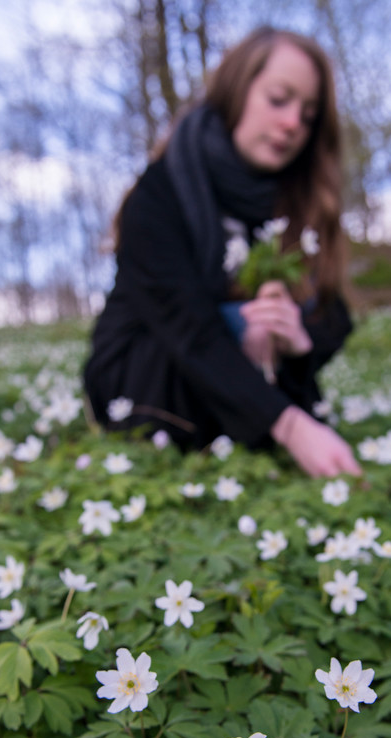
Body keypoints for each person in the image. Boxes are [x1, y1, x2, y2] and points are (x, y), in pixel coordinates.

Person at [84, 25, 362, 478]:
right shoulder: (159, 194)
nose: (293, 123)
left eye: (309, 115)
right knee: (230, 331)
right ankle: (264, 421)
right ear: (236, 91)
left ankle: (258, 418)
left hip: (237, 382)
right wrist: (291, 425)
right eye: (278, 100)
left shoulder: (298, 200)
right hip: (145, 381)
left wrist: (296, 341)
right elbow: (185, 327)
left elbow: (334, 315)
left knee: (295, 312)